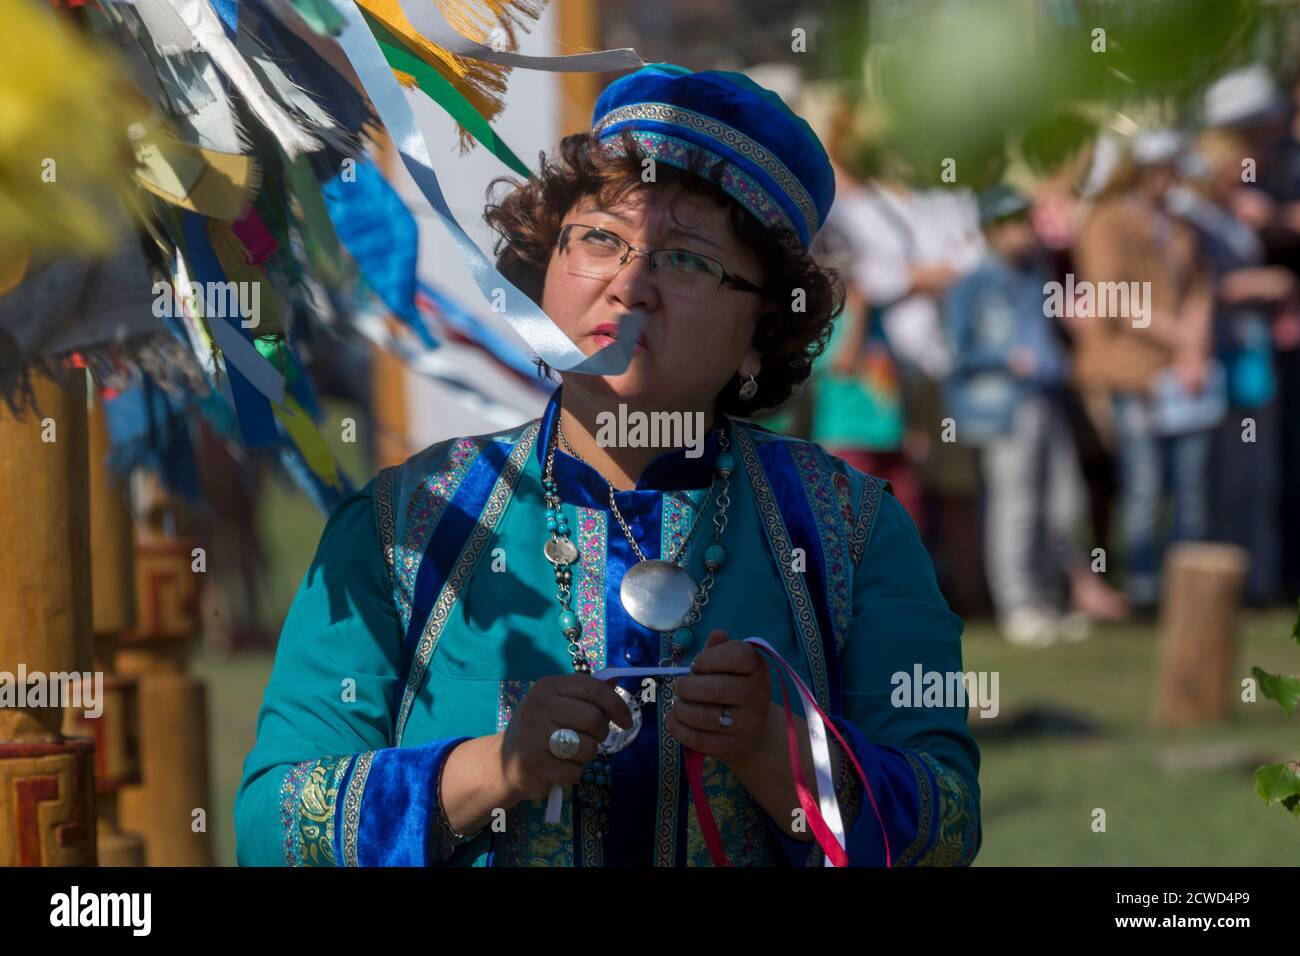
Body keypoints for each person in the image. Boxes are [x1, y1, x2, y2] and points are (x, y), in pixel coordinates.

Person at [235, 63, 981, 867]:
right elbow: (271, 828)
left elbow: (945, 828)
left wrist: (777, 752)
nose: (630, 286)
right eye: (599, 238)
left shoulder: (851, 532)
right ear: (542, 262)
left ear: (763, 329)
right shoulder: (405, 527)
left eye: (687, 260)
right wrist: (494, 769)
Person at [945, 186, 1128, 646]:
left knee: (1062, 504)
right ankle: (1018, 605)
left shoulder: (1037, 274)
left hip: (1046, 400)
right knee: (1017, 506)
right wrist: (1006, 358)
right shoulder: (973, 282)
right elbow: (957, 350)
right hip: (1004, 407)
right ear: (993, 230)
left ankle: (1046, 600)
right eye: (1019, 224)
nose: (1029, 233)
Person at [1072, 133, 1217, 612]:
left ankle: (1188, 590)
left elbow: (1201, 286)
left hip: (1182, 372)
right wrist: (1181, 337)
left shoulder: (1177, 223)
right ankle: (1144, 587)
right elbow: (1109, 297)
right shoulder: (1107, 220)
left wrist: (1193, 348)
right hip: (1129, 373)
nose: (1173, 176)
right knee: (1144, 483)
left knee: (1191, 487)